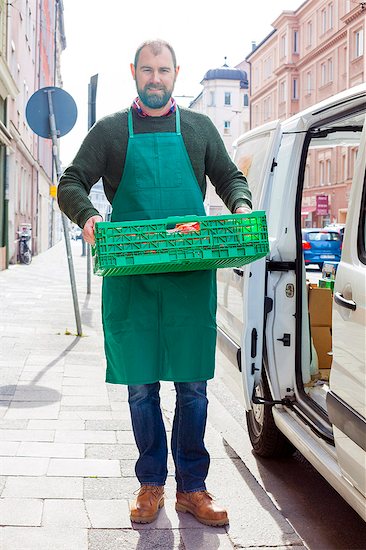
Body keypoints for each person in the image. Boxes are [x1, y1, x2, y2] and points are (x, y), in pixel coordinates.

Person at [58, 38, 252, 527]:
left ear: (176, 73)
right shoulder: (110, 133)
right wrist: (88, 218)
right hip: (134, 281)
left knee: (193, 389)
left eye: (163, 70)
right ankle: (150, 484)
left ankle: (193, 488)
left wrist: (242, 207)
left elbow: (230, 178)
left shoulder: (199, 129)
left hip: (188, 281)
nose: (156, 78)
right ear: (134, 72)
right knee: (141, 390)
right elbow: (71, 181)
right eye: (147, 69)